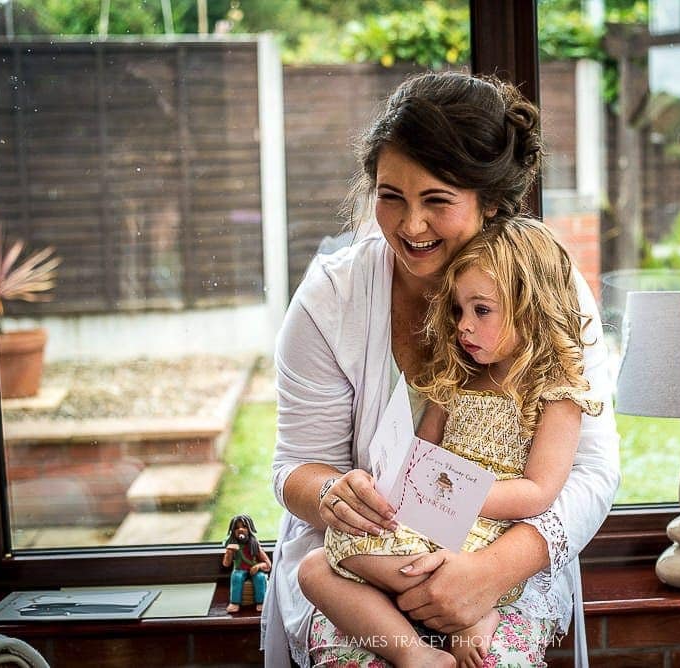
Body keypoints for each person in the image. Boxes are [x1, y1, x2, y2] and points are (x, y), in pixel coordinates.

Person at [262, 70, 620, 668]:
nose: (410, 225)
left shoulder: (546, 290)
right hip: (365, 575)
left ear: (493, 202)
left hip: (502, 563)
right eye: (391, 195)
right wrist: (331, 494)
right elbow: (293, 467)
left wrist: (483, 575)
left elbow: (591, 470)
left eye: (437, 201)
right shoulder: (332, 299)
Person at [296, 218, 604, 667]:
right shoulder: (456, 379)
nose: (464, 326)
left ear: (531, 307)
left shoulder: (557, 393)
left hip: (481, 538)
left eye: (481, 311)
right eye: (459, 311)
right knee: (313, 570)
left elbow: (539, 490)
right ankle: (419, 652)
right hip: (429, 518)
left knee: (346, 557)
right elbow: (420, 455)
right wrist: (385, 483)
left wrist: (462, 496)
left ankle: (470, 610)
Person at [222, 514, 272, 613]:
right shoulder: (233, 545)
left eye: (244, 526)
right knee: (236, 577)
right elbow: (226, 564)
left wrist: (258, 566)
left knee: (260, 578)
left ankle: (261, 602)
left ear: (249, 528)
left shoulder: (254, 545)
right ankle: (235, 602)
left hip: (254, 569)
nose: (240, 530)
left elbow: (268, 564)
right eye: (237, 528)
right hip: (240, 569)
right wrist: (229, 553)